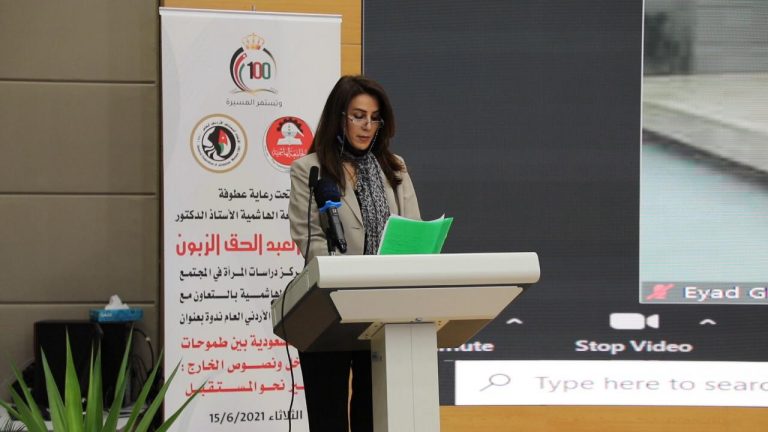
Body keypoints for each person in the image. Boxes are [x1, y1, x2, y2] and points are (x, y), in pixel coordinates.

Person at [287, 75, 421, 431]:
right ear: (339, 117)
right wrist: (353, 281)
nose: (367, 126)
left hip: (385, 312)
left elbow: (413, 230)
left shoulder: (395, 168)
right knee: (328, 417)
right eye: (358, 116)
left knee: (374, 417)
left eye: (375, 118)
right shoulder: (310, 169)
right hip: (329, 310)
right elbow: (310, 240)